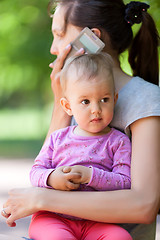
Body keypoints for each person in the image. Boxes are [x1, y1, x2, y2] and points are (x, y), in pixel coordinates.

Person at [1, 1, 160, 240]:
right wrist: (60, 103)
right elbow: (45, 173)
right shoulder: (72, 101)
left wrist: (43, 199)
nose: (54, 48)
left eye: (59, 35)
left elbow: (144, 205)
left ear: (91, 38)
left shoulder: (145, 100)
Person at [29, 53, 132, 240]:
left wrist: (89, 175)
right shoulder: (57, 138)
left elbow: (125, 182)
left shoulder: (118, 141)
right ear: (67, 106)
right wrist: (52, 178)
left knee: (121, 237)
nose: (96, 109)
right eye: (85, 101)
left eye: (104, 99)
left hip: (98, 219)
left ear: (115, 99)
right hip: (54, 216)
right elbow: (36, 172)